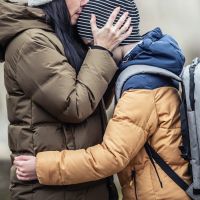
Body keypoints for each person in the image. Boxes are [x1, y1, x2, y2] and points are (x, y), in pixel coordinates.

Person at [13, 0, 191, 200]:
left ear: (113, 36)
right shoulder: (152, 67)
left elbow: (111, 157)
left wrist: (42, 166)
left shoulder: (141, 86)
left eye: (92, 45)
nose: (93, 52)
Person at [0, 0, 133, 199]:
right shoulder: (31, 42)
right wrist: (102, 51)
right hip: (51, 191)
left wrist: (111, 55)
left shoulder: (58, 35)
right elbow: (75, 105)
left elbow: (95, 103)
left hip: (78, 184)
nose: (85, 2)